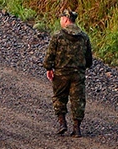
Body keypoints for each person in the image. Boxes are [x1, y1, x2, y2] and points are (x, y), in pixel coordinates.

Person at [44, 7, 93, 137]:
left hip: (61, 74)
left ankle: (62, 123)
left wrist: (49, 68)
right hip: (78, 74)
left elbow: (50, 55)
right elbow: (88, 59)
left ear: (65, 19)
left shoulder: (58, 36)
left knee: (59, 98)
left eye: (61, 18)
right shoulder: (84, 37)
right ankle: (76, 128)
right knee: (78, 100)